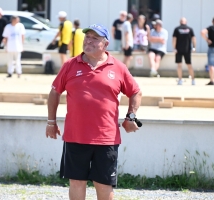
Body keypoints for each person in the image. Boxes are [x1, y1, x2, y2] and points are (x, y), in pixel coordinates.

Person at [45, 23, 142, 200]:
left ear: (105, 44)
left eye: (94, 38)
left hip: (106, 138)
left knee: (104, 184)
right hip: (76, 136)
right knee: (76, 182)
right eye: (86, 37)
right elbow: (54, 91)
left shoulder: (118, 67)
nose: (88, 41)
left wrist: (131, 116)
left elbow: (135, 91)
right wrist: (51, 122)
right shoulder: (70, 65)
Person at [172, 17, 196, 85]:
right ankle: (193, 80)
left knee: (179, 65)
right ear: (186, 22)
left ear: (180, 22)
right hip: (187, 49)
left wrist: (174, 48)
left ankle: (180, 80)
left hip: (178, 49)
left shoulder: (177, 29)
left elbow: (174, 39)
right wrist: (194, 47)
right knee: (189, 65)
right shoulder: (190, 29)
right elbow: (194, 38)